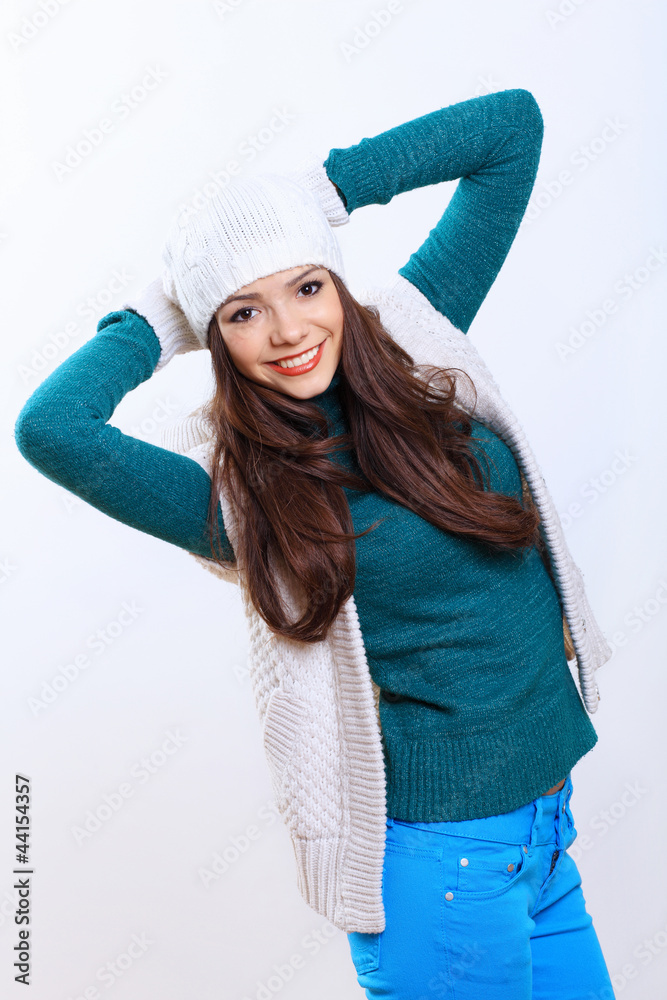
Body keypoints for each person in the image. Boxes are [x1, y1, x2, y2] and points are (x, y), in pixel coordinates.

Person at [14, 88, 616, 998]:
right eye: (242, 312)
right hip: (439, 869)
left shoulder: (416, 345)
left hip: (541, 836)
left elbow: (511, 129)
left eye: (304, 285)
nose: (291, 331)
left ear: (335, 280)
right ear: (210, 335)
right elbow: (51, 427)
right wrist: (155, 317)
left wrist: (319, 194)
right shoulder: (244, 498)